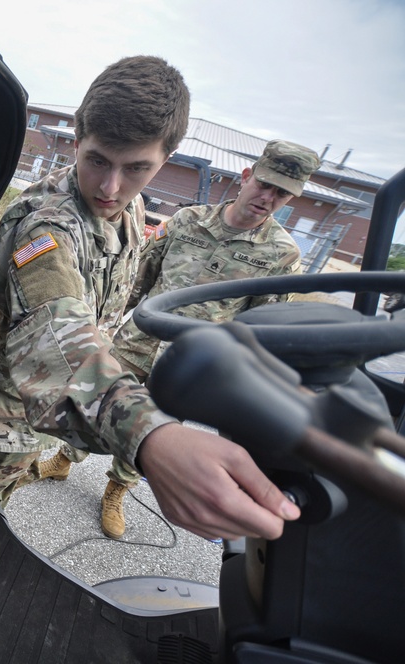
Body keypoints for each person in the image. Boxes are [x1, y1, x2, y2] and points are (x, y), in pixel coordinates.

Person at [0, 55, 301, 543]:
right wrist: (153, 438)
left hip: (42, 418)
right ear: (77, 139)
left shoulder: (132, 211)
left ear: (165, 160)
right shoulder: (46, 225)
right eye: (97, 161)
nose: (111, 187)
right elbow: (58, 343)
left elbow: (120, 292)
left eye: (136, 168)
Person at [35, 140, 322, 539]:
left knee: (154, 428)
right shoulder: (189, 220)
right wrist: (106, 321)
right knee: (96, 399)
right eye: (265, 184)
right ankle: (65, 458)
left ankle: (116, 491)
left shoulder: (281, 255)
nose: (268, 198)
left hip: (191, 365)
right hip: (137, 341)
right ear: (246, 177)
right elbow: (139, 276)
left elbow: (260, 327)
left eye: (282, 193)